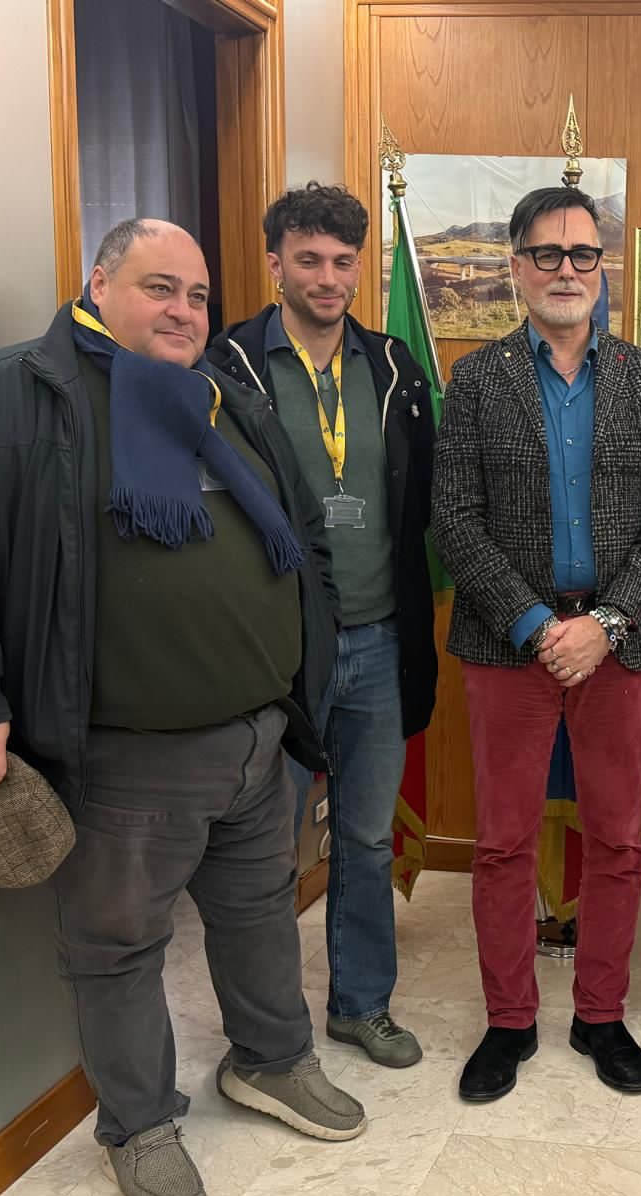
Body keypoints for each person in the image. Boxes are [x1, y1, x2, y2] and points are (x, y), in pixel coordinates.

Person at [0, 219, 364, 1196]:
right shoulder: (8, 400)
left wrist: (302, 664)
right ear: (98, 283)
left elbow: (300, 529)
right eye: (159, 287)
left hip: (257, 736)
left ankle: (271, 1059)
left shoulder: (220, 399)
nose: (184, 310)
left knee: (260, 915)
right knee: (117, 949)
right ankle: (138, 1123)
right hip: (126, 758)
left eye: (198, 295)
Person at [431, 186, 641, 1102]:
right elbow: (455, 520)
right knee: (503, 843)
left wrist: (605, 624)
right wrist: (540, 627)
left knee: (617, 841)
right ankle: (509, 1021)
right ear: (517, 268)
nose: (567, 270)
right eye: (548, 254)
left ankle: (599, 1014)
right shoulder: (476, 381)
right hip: (510, 644)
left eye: (584, 254)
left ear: (603, 268)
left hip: (620, 643)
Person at [208, 183, 438, 1069]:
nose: (329, 277)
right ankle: (269, 1032)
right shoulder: (228, 365)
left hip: (380, 640)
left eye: (345, 261)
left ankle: (361, 1005)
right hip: (277, 647)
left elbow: (421, 498)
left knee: (366, 838)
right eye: (309, 259)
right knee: (263, 850)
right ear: (275, 265)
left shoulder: (394, 367)